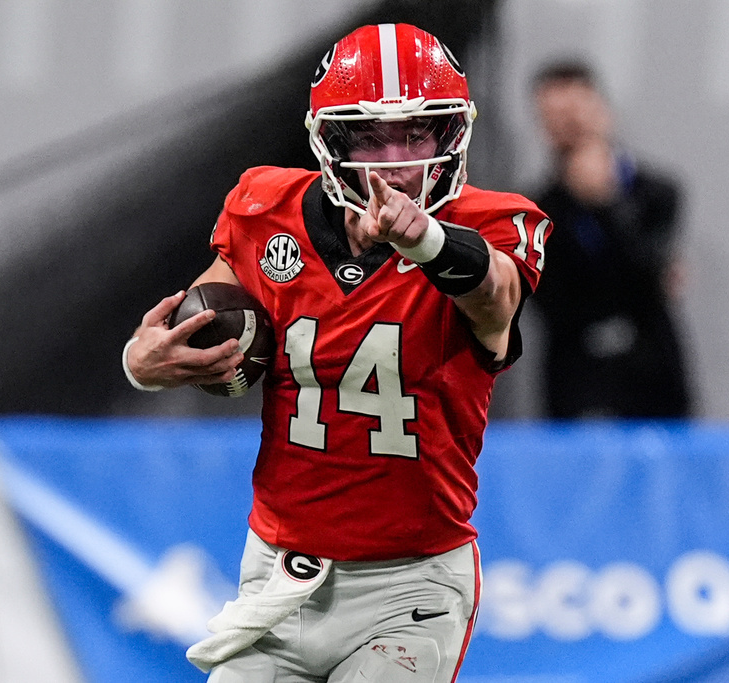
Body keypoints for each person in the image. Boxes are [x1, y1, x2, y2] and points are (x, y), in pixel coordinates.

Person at [122, 23, 551, 682]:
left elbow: (496, 299)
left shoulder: (491, 224)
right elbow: (208, 314)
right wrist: (146, 361)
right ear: (332, 142)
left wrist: (431, 242)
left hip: (409, 587)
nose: (396, 160)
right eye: (372, 136)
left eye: (417, 133)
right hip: (278, 575)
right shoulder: (267, 210)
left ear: (451, 136)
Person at [531, 60, 693, 419]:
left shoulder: (657, 194)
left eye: (576, 111)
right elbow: (552, 304)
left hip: (654, 377)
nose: (568, 125)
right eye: (555, 116)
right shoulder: (533, 213)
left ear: (603, 110)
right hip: (577, 383)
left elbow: (649, 283)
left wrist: (605, 205)